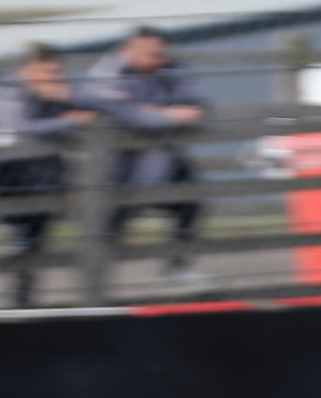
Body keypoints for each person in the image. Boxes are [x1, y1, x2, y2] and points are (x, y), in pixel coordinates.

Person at [88, 27, 205, 288]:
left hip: (163, 155)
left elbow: (194, 104)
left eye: (160, 53)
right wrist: (169, 114)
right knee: (112, 222)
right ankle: (96, 283)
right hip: (120, 163)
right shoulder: (107, 71)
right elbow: (125, 116)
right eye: (151, 54)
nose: (159, 60)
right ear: (128, 50)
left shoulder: (168, 66)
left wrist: (153, 112)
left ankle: (178, 268)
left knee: (190, 202)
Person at [2, 46, 98, 307]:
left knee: (33, 238)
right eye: (45, 72)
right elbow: (22, 129)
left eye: (56, 72)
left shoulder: (58, 95)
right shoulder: (9, 94)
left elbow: (97, 112)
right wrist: (71, 120)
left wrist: (71, 99)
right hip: (12, 178)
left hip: (43, 181)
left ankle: (25, 287)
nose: (52, 78)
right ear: (25, 72)